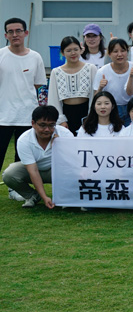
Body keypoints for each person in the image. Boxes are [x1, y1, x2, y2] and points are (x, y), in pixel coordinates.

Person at [0, 18, 47, 176]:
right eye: (10, 32)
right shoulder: (1, 55)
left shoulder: (35, 57)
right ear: (6, 35)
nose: (15, 35)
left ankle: (15, 187)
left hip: (27, 115)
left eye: (18, 31)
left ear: (25, 33)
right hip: (3, 116)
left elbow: (38, 84)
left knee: (21, 159)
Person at [2, 106, 73, 208]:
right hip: (34, 169)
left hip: (57, 170)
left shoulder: (65, 134)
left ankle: (66, 197)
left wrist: (59, 146)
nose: (47, 129)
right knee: (9, 174)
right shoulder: (24, 140)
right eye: (42, 125)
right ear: (33, 123)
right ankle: (32, 196)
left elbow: (72, 163)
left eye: (51, 125)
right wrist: (44, 197)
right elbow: (33, 170)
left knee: (74, 170)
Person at [47, 36, 98, 134]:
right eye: (69, 50)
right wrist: (61, 120)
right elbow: (53, 99)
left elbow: (94, 95)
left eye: (76, 49)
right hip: (66, 116)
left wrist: (91, 117)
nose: (73, 53)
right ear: (62, 53)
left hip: (87, 113)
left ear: (81, 50)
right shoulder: (56, 72)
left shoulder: (91, 68)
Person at [94, 38, 133, 125]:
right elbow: (96, 97)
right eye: (115, 51)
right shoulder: (102, 71)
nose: (119, 54)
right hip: (112, 109)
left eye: (123, 51)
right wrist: (100, 87)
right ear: (109, 54)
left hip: (132, 108)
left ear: (127, 52)